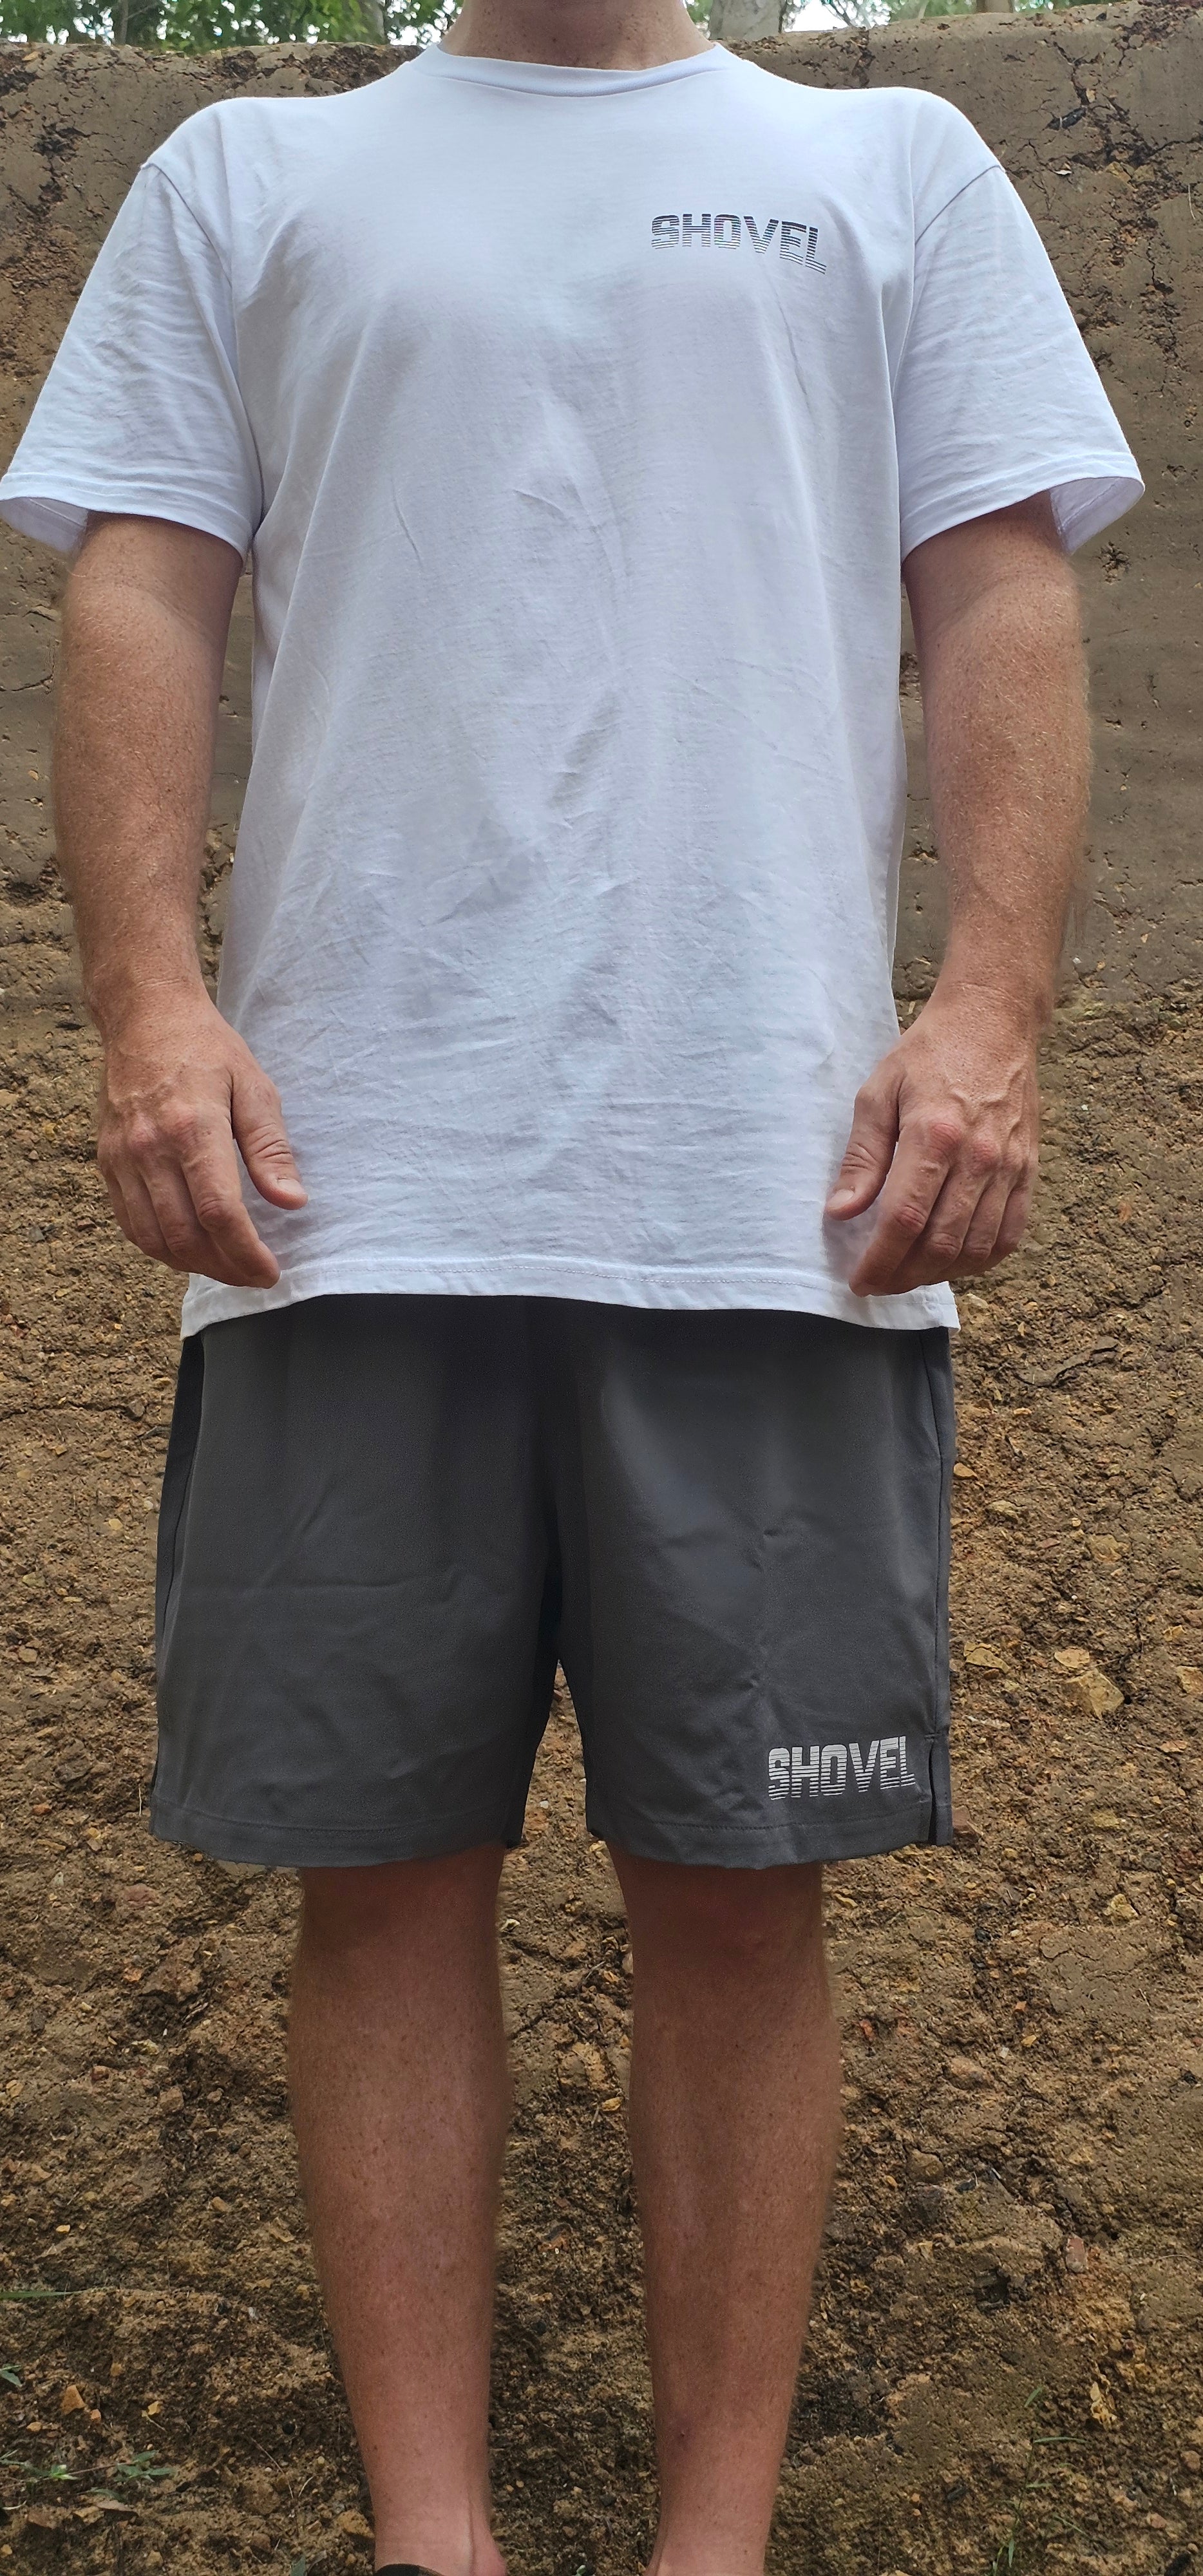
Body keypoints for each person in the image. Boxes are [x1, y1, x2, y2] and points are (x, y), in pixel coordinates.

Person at [0, 0, 1140, 2561]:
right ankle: (437, 2541)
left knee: (740, 1895)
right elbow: (141, 595)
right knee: (380, 1880)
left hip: (777, 1198)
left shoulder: (893, 171)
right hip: (341, 1189)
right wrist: (148, 1006)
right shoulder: (244, 184)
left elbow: (997, 600)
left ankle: (710, 2544)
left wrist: (983, 1016)